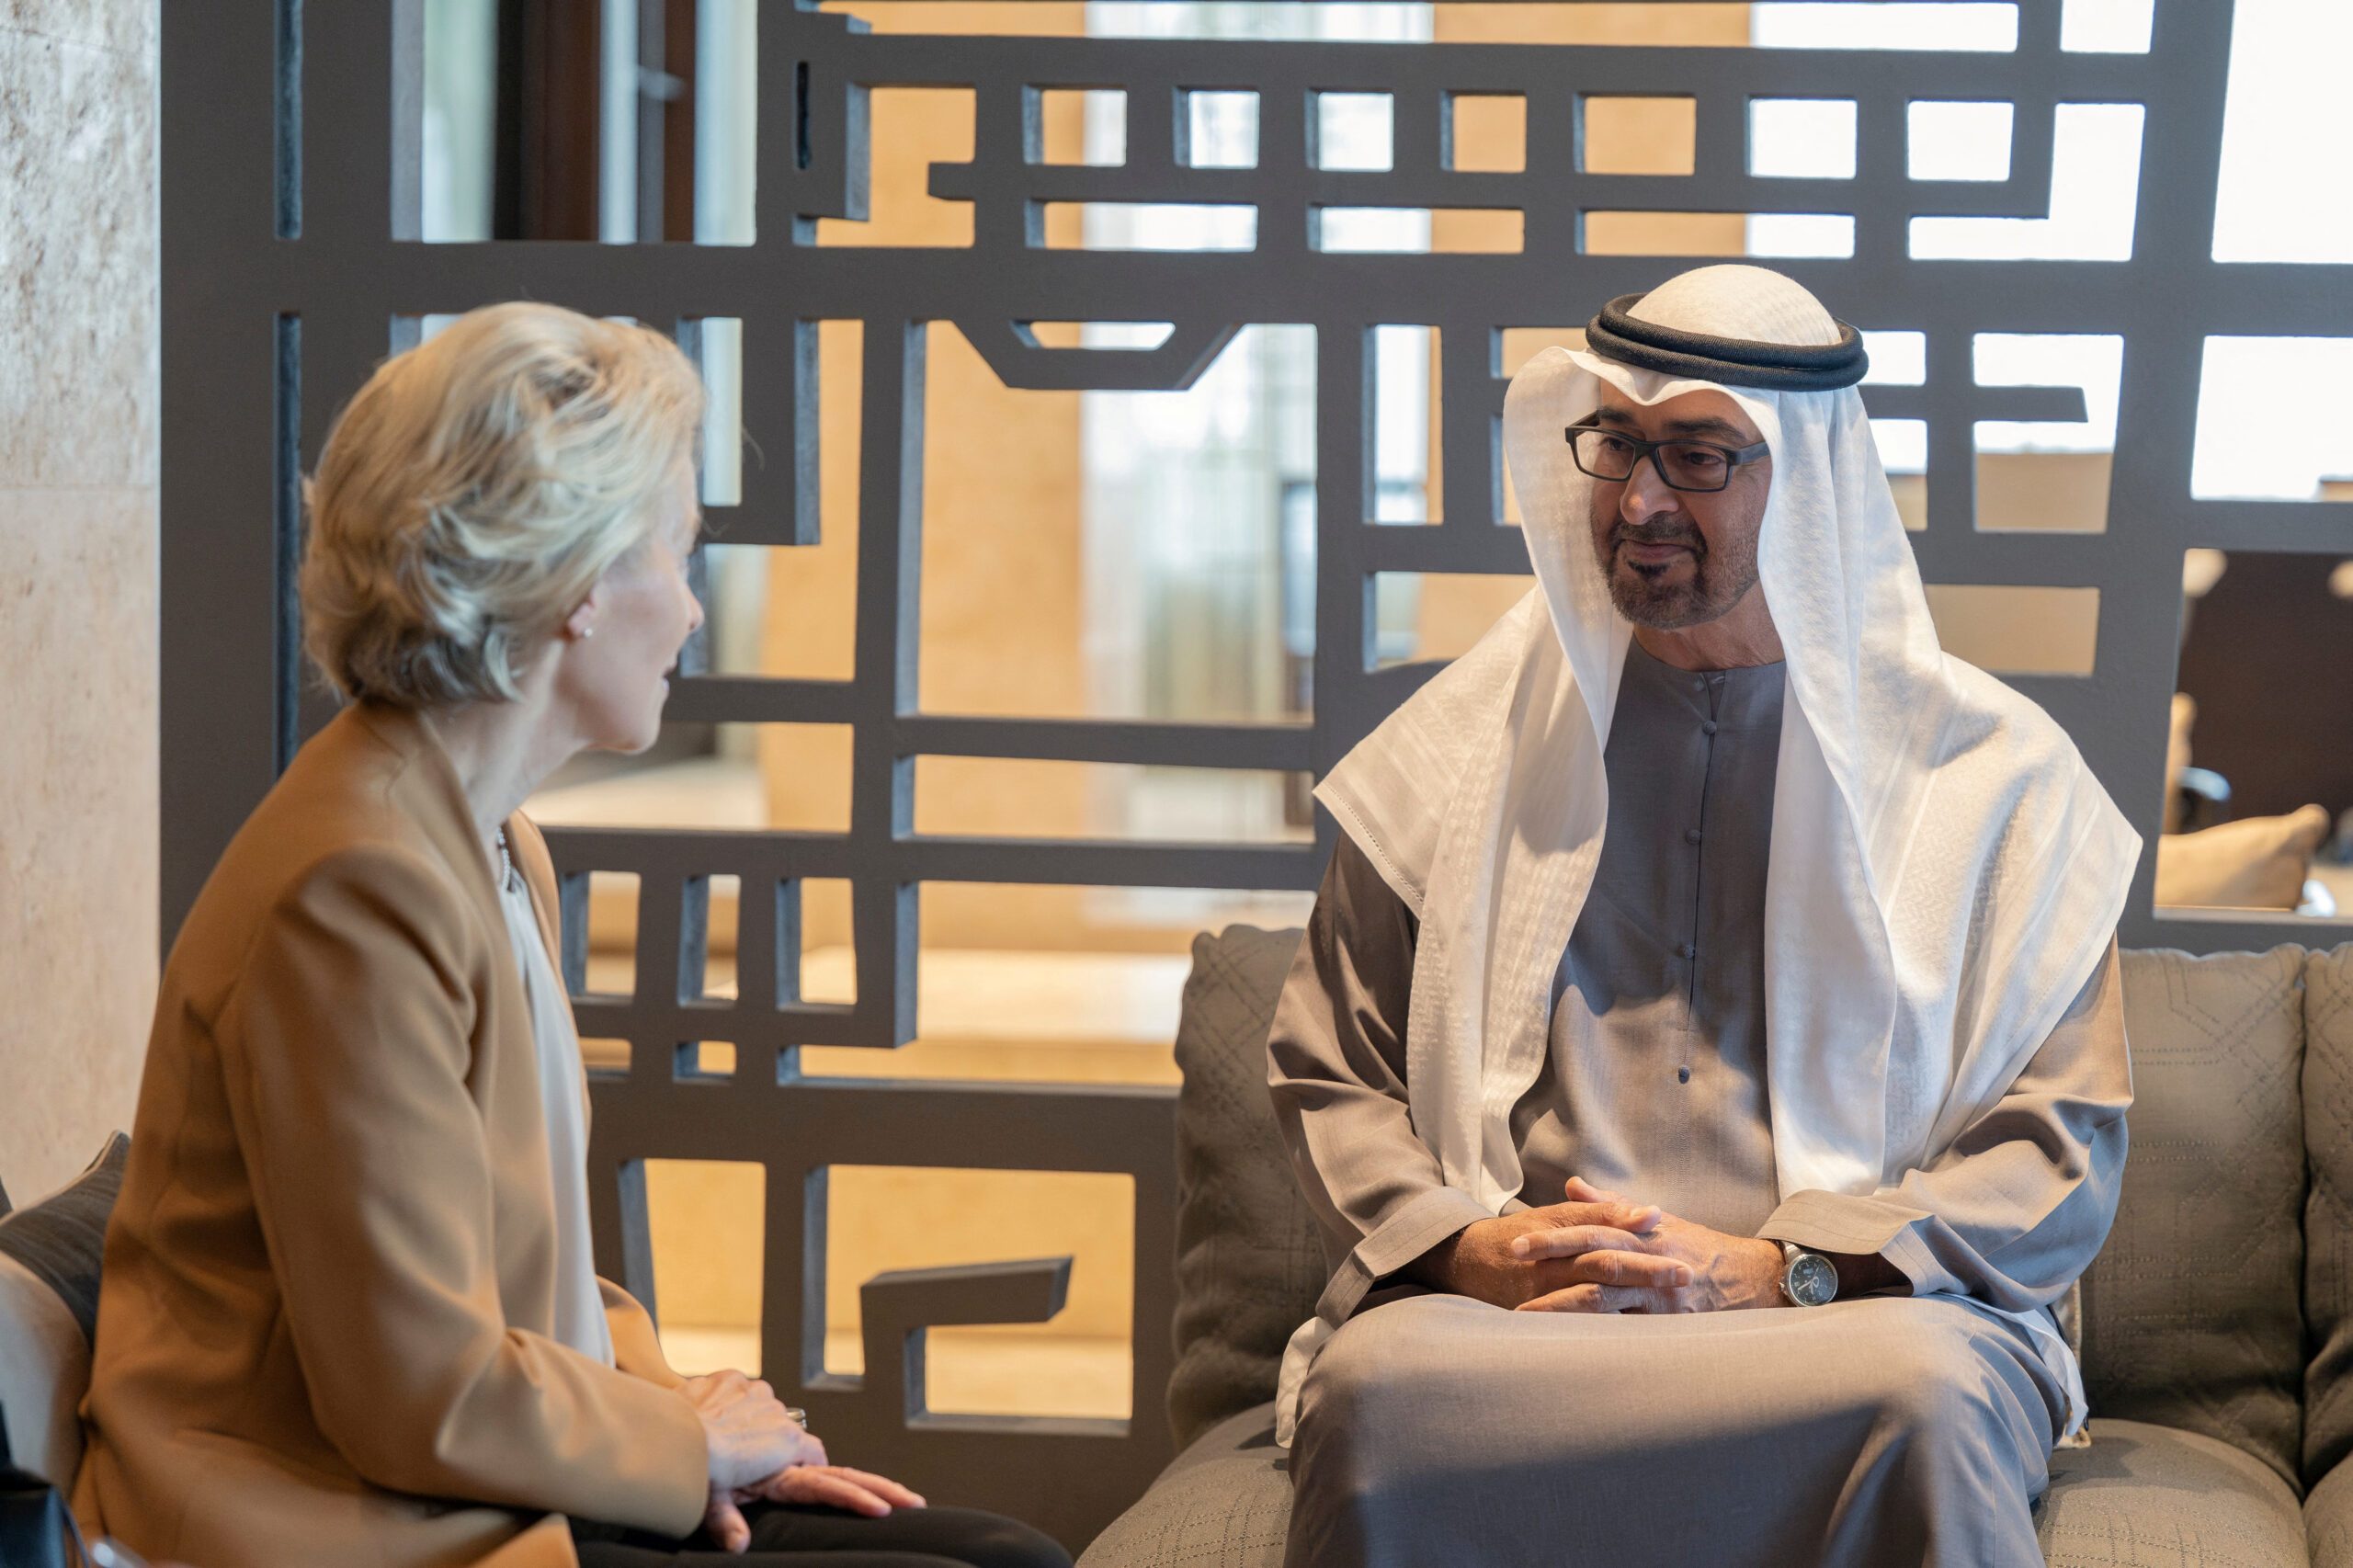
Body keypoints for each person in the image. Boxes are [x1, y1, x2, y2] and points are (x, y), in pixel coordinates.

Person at [74, 303, 1071, 1568]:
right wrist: (683, 1447)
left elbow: (528, 1277)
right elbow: (412, 1385)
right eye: (680, 553)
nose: (694, 612)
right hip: (328, 1511)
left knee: (1001, 1553)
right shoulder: (356, 882)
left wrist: (684, 1422)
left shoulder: (488, 837)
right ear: (581, 582)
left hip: (478, 1467)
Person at [1267, 265, 2140, 1567]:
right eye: (1616, 442)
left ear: (1809, 483)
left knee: (1924, 1394)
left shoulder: (1995, 785)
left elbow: (2056, 1150)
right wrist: (1470, 1247)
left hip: (1840, 1325)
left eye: (1696, 456)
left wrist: (1787, 1264)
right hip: (1519, 1330)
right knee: (1377, 1393)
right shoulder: (1463, 753)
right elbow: (1330, 1065)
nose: (1636, 501)